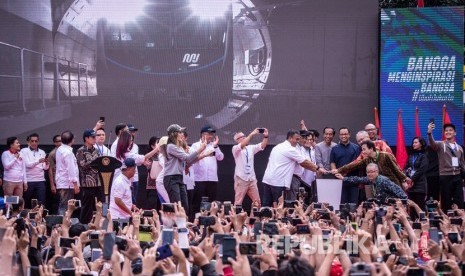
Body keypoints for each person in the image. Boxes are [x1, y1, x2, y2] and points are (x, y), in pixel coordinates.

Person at [262, 130, 319, 207]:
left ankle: (263, 218)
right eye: (297, 139)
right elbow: (304, 162)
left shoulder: (278, 146)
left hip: (268, 180)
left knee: (267, 206)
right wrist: (318, 169)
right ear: (290, 138)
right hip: (278, 182)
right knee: (279, 206)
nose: (299, 141)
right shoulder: (290, 149)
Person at [163, 124, 206, 212]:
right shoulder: (171, 147)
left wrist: (203, 155)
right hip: (171, 178)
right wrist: (200, 149)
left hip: (179, 177)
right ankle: (175, 225)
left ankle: (183, 224)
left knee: (184, 206)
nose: (182, 134)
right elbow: (188, 158)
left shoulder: (178, 147)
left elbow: (188, 161)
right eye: (180, 132)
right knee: (177, 205)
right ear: (173, 134)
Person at [335, 140, 409, 186]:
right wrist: (339, 170)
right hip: (379, 186)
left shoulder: (385, 155)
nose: (362, 152)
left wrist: (404, 180)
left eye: (364, 149)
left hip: (393, 184)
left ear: (371, 148)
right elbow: (354, 165)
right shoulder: (367, 160)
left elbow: (396, 169)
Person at [427, 122, 465, 211]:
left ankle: (461, 222)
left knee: (459, 202)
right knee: (446, 202)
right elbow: (432, 143)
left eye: (450, 130)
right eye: (446, 131)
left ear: (455, 133)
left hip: (457, 176)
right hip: (445, 176)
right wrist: (429, 133)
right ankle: (447, 222)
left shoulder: (459, 148)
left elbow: (462, 164)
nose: (448, 132)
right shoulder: (441, 144)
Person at [114, 131, 159, 203]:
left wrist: (142, 161)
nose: (131, 142)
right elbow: (143, 157)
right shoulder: (126, 154)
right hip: (123, 181)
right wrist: (156, 149)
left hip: (126, 181)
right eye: (130, 140)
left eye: (132, 140)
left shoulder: (122, 153)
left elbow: (138, 160)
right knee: (126, 202)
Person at [191, 125, 224, 214]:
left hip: (212, 179)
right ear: (202, 135)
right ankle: (196, 222)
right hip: (199, 179)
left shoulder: (213, 145)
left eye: (212, 134)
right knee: (198, 203)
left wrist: (216, 146)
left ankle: (211, 222)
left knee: (212, 203)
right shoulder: (195, 145)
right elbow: (192, 158)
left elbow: (221, 157)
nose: (211, 136)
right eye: (208, 134)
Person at [335, 163, 407, 203]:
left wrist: (400, 205)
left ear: (377, 172)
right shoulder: (370, 179)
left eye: (372, 172)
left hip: (392, 207)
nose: (369, 174)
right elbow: (358, 179)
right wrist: (343, 178)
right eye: (368, 172)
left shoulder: (384, 180)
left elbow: (402, 195)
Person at [232, 128, 268, 206]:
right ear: (237, 140)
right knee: (238, 202)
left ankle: (255, 218)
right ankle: (236, 217)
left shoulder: (251, 148)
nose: (244, 137)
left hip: (251, 178)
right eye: (241, 137)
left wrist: (266, 137)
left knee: (257, 202)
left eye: (244, 136)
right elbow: (242, 144)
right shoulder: (235, 148)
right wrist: (252, 134)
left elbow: (262, 146)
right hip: (241, 178)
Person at [76, 129, 103, 224]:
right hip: (87, 183)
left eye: (95, 137)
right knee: (87, 206)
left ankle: (97, 223)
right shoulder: (81, 151)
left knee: (98, 205)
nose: (95, 139)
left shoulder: (96, 150)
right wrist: (95, 162)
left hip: (98, 182)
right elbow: (82, 165)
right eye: (92, 137)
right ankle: (83, 224)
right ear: (86, 138)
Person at [330, 127, 361, 204]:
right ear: (339, 136)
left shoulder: (356, 148)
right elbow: (332, 162)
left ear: (349, 135)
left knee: (353, 204)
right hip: (339, 181)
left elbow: (357, 164)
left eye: (345, 134)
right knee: (341, 204)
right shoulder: (334, 148)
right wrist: (336, 174)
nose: (343, 136)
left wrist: (345, 172)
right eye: (341, 134)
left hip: (353, 181)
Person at [20, 133, 49, 208]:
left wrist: (47, 163)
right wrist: (38, 161)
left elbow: (45, 168)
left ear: (38, 142)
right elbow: (27, 165)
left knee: (42, 202)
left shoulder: (42, 152)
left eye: (36, 141)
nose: (34, 143)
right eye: (32, 141)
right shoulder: (23, 151)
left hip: (40, 180)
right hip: (29, 180)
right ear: (28, 142)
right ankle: (25, 218)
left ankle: (41, 218)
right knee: (26, 201)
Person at [55, 131, 80, 215]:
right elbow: (71, 169)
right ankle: (61, 226)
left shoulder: (60, 149)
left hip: (63, 182)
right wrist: (75, 184)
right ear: (72, 140)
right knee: (65, 206)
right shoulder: (67, 152)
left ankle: (62, 225)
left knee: (64, 205)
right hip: (67, 184)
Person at [404, 136, 428, 213]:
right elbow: (406, 167)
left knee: (420, 207)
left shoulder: (424, 155)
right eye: (413, 143)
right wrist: (407, 178)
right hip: (411, 186)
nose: (413, 144)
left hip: (420, 185)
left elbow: (422, 170)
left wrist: (412, 179)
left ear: (421, 144)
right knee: (411, 208)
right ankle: (412, 224)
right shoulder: (411, 156)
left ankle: (423, 224)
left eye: (416, 142)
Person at [47, 134, 62, 213]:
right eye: (58, 141)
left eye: (61, 141)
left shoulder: (67, 151)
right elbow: (50, 169)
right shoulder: (52, 154)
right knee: (57, 202)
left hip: (66, 182)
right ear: (55, 143)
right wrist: (52, 185)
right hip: (57, 182)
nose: (60, 143)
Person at [127, 124, 141, 204]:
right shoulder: (122, 145)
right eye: (130, 131)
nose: (132, 133)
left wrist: (142, 161)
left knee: (134, 198)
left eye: (133, 132)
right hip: (126, 174)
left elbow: (138, 161)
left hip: (134, 175)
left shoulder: (135, 146)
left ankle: (134, 215)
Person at [145, 136, 160, 210]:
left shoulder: (164, 155)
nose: (159, 145)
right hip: (152, 184)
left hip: (162, 184)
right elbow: (148, 168)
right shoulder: (149, 156)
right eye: (157, 143)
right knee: (152, 206)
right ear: (152, 146)